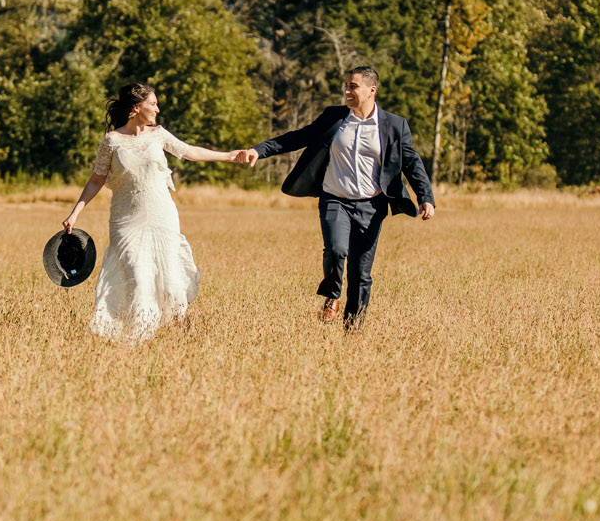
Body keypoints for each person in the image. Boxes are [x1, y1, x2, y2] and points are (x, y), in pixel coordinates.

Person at [229, 66, 434, 330]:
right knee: (336, 250)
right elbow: (299, 137)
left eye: (353, 86)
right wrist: (260, 150)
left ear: (372, 90)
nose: (347, 91)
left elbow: (412, 162)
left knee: (361, 273)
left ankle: (353, 328)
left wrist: (425, 197)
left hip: (372, 206)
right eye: (346, 86)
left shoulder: (395, 125)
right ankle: (332, 295)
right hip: (335, 199)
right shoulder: (335, 117)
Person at [60, 82, 244, 340]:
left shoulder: (159, 134)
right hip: (126, 219)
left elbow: (188, 152)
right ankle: (139, 335)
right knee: (138, 274)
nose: (157, 109)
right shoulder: (112, 141)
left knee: (170, 279)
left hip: (162, 214)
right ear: (136, 107)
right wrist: (75, 213)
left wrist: (229, 156)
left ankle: (181, 332)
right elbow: (96, 180)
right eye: (153, 103)